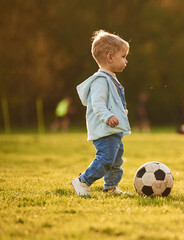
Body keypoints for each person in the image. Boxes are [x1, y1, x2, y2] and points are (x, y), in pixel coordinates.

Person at [71, 30, 131, 196]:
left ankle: (111, 187)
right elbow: (98, 104)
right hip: (105, 129)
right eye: (123, 56)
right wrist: (108, 117)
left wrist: (120, 112)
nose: (126, 61)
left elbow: (111, 102)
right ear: (110, 57)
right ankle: (83, 181)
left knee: (116, 161)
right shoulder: (100, 80)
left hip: (113, 129)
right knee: (106, 159)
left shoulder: (111, 78)